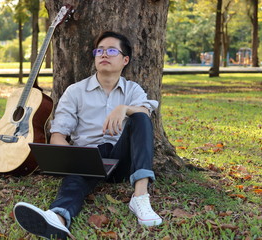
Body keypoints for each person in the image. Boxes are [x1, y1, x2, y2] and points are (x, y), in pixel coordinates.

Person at [13, 31, 162, 239]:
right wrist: (69, 160)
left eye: (111, 50)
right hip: (90, 157)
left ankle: (140, 197)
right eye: (99, 51)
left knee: (140, 118)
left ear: (125, 60)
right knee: (74, 180)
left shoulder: (132, 89)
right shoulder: (75, 91)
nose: (104, 55)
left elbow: (146, 112)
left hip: (123, 159)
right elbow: (58, 135)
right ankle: (58, 219)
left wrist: (124, 108)